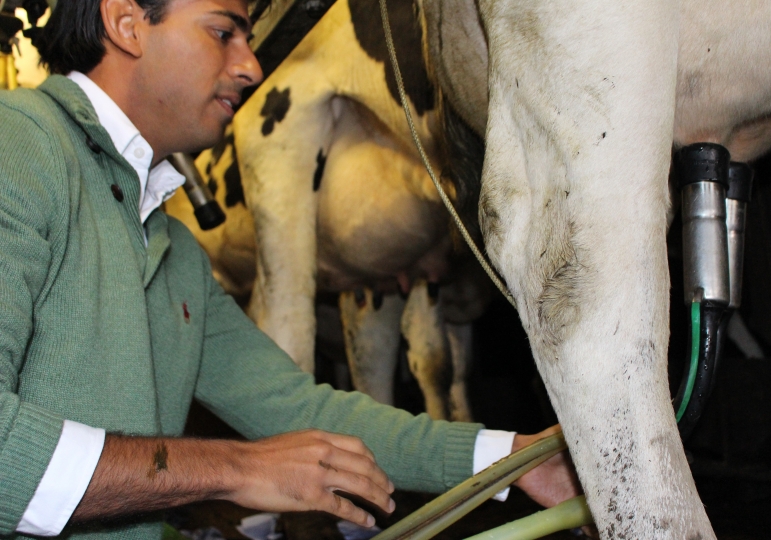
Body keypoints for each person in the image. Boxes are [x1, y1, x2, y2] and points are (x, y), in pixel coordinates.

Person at [0, 0, 582, 538]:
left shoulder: (171, 246)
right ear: (127, 23)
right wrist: (233, 468)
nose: (251, 68)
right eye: (223, 32)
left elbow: (302, 412)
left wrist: (509, 457)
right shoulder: (19, 144)